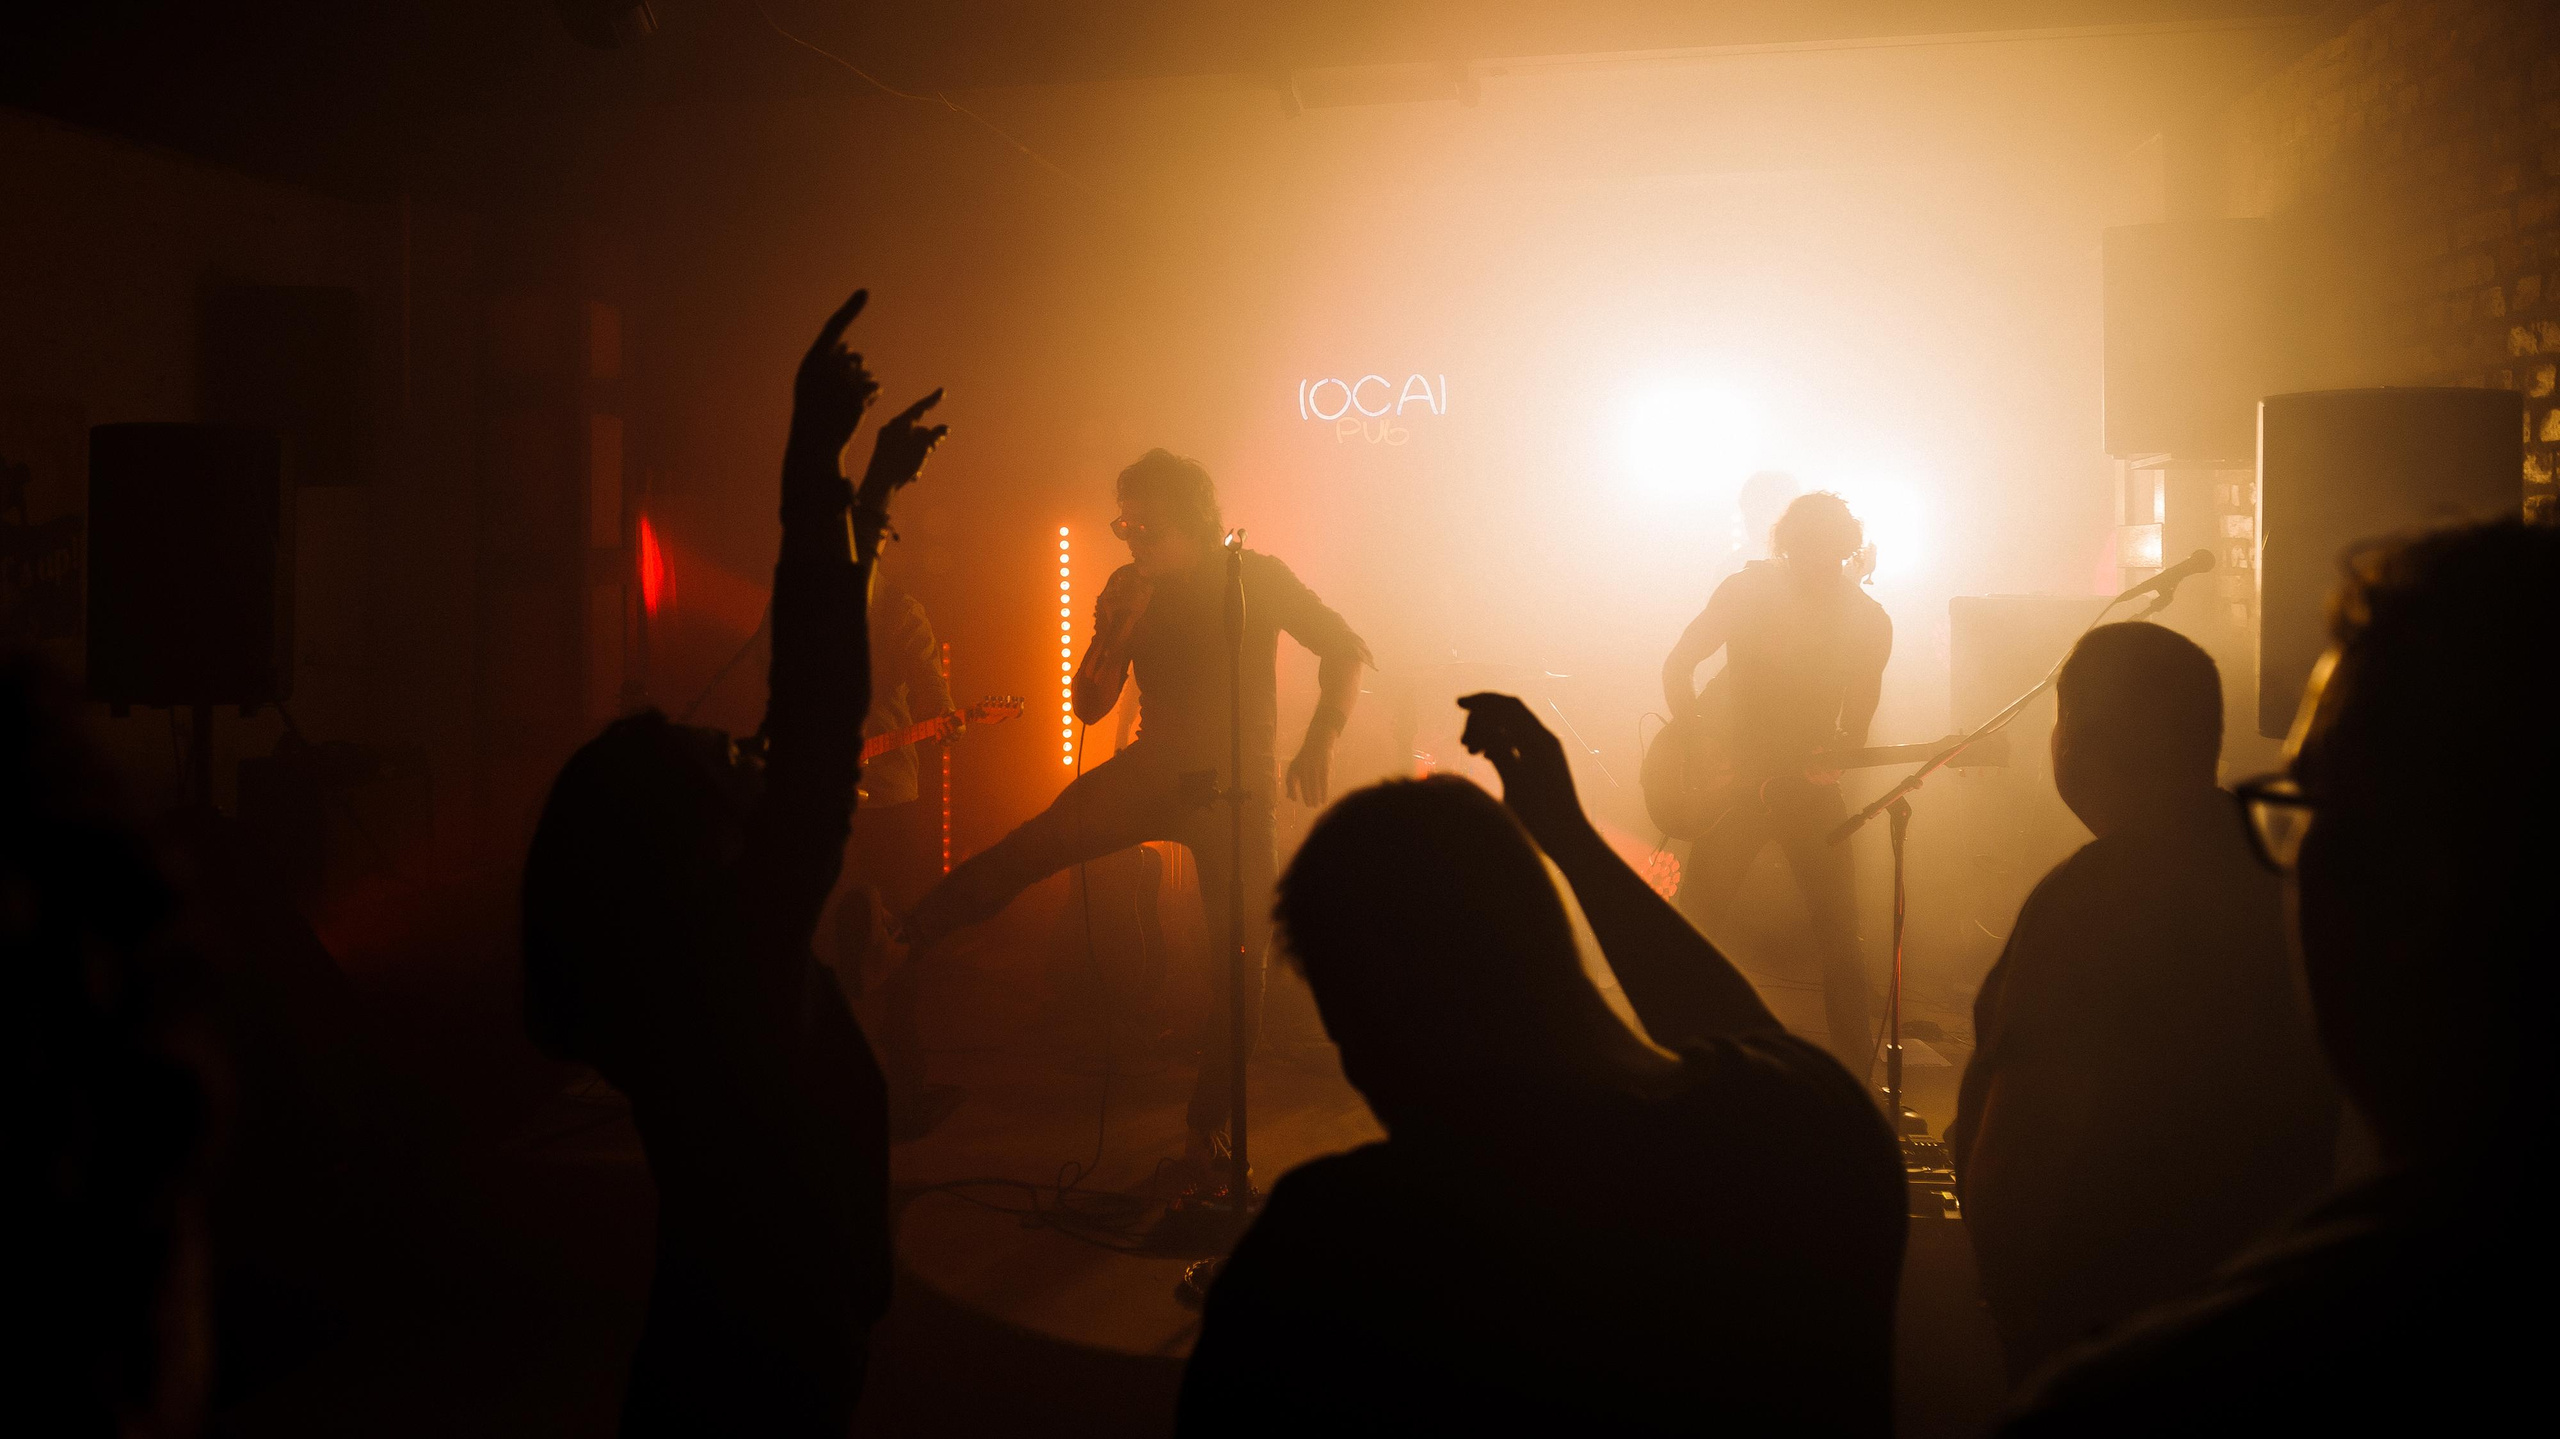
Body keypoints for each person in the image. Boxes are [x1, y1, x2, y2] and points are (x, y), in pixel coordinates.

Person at [1180, 694, 1904, 1435]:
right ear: (1551, 930)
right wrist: (1572, 841)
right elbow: (1741, 1034)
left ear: (1374, 1027)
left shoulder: (1336, 1250)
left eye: (1347, 1038)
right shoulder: (1816, 1132)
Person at [1996, 521, 2559, 1434]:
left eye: (2309, 810)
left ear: (2420, 881)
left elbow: (2020, 1155)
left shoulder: (2176, 1386)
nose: (2296, 872)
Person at [521, 289, 944, 1436]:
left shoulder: (661, 986)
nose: (749, 754)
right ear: (696, 836)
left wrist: (867, 493)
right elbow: (815, 699)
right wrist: (814, 458)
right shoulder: (734, 980)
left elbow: (807, 708)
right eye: (725, 759)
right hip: (767, 1366)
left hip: (707, 1348)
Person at [901, 449, 1369, 1180]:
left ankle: (1204, 1132)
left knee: (1241, 967)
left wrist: (1321, 739)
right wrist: (1115, 631)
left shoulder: (1256, 578)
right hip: (1155, 768)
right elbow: (1090, 707)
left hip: (1236, 786)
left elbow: (1346, 647)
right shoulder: (1130, 585)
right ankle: (909, 933)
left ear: (1189, 517)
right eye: (1122, 522)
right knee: (1040, 841)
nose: (1129, 536)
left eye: (1141, 521)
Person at [1946, 622, 2338, 1380]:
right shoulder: (2282, 867)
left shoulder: (2092, 899)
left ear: (2077, 740)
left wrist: (2016, 1328)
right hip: (2269, 1310)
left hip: (2113, 1332)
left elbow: (2023, 1144)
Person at [1660, 490, 1890, 1073]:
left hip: (1806, 788)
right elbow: (1678, 664)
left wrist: (1837, 756)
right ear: (1787, 548)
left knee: (1840, 932)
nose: (1818, 567)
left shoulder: (1867, 620)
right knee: (1698, 917)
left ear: (1845, 551)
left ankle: (1854, 1077)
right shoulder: (1747, 592)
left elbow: (1854, 730)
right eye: (1806, 552)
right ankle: (1667, 1051)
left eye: (1830, 554)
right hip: (1736, 779)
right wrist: (1696, 741)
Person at [831, 558, 959, 1139]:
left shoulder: (810, 600)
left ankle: (859, 1089)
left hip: (839, 799)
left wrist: (942, 712)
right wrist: (942, 712)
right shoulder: (896, 608)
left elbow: (932, 693)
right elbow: (933, 691)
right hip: (882, 801)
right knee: (898, 940)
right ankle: (904, 1098)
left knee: (858, 937)